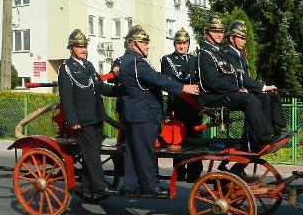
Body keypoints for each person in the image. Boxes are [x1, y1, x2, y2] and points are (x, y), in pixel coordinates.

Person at [119, 25, 199, 197]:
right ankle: (150, 186)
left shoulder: (128, 60)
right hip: (143, 115)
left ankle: (130, 185)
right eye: (144, 43)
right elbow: (157, 78)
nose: (148, 46)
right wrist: (183, 87)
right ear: (133, 44)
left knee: (132, 152)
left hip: (136, 114)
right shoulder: (136, 62)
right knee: (145, 153)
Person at [196, 14, 278, 152]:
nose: (219, 34)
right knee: (249, 99)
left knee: (261, 97)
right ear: (206, 32)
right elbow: (212, 82)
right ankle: (262, 139)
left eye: (221, 31)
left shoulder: (220, 54)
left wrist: (243, 87)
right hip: (213, 96)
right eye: (215, 31)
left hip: (226, 93)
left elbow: (234, 76)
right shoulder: (205, 54)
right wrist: (236, 89)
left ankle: (262, 137)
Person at [58, 29, 117, 198]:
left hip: (97, 116)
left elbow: (101, 87)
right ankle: (99, 186)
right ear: (71, 48)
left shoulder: (89, 65)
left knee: (93, 152)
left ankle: (87, 183)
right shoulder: (66, 68)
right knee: (91, 153)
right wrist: (72, 121)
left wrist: (121, 91)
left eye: (84, 46)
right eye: (79, 47)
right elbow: (66, 97)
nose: (83, 50)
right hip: (83, 120)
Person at [224, 20, 286, 136]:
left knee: (273, 95)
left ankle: (277, 129)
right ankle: (264, 134)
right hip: (234, 92)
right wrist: (263, 87)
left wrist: (261, 88)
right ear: (232, 38)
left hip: (245, 89)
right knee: (264, 97)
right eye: (242, 38)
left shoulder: (240, 55)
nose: (244, 41)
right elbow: (240, 77)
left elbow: (245, 77)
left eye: (245, 38)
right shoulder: (227, 54)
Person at [160, 27, 203, 182]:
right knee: (178, 140)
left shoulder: (194, 60)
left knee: (195, 140)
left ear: (188, 44)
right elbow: (169, 83)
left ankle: (194, 172)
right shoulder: (168, 60)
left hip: (194, 105)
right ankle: (179, 171)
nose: (182, 46)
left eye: (184, 43)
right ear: (175, 44)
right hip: (177, 104)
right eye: (179, 43)